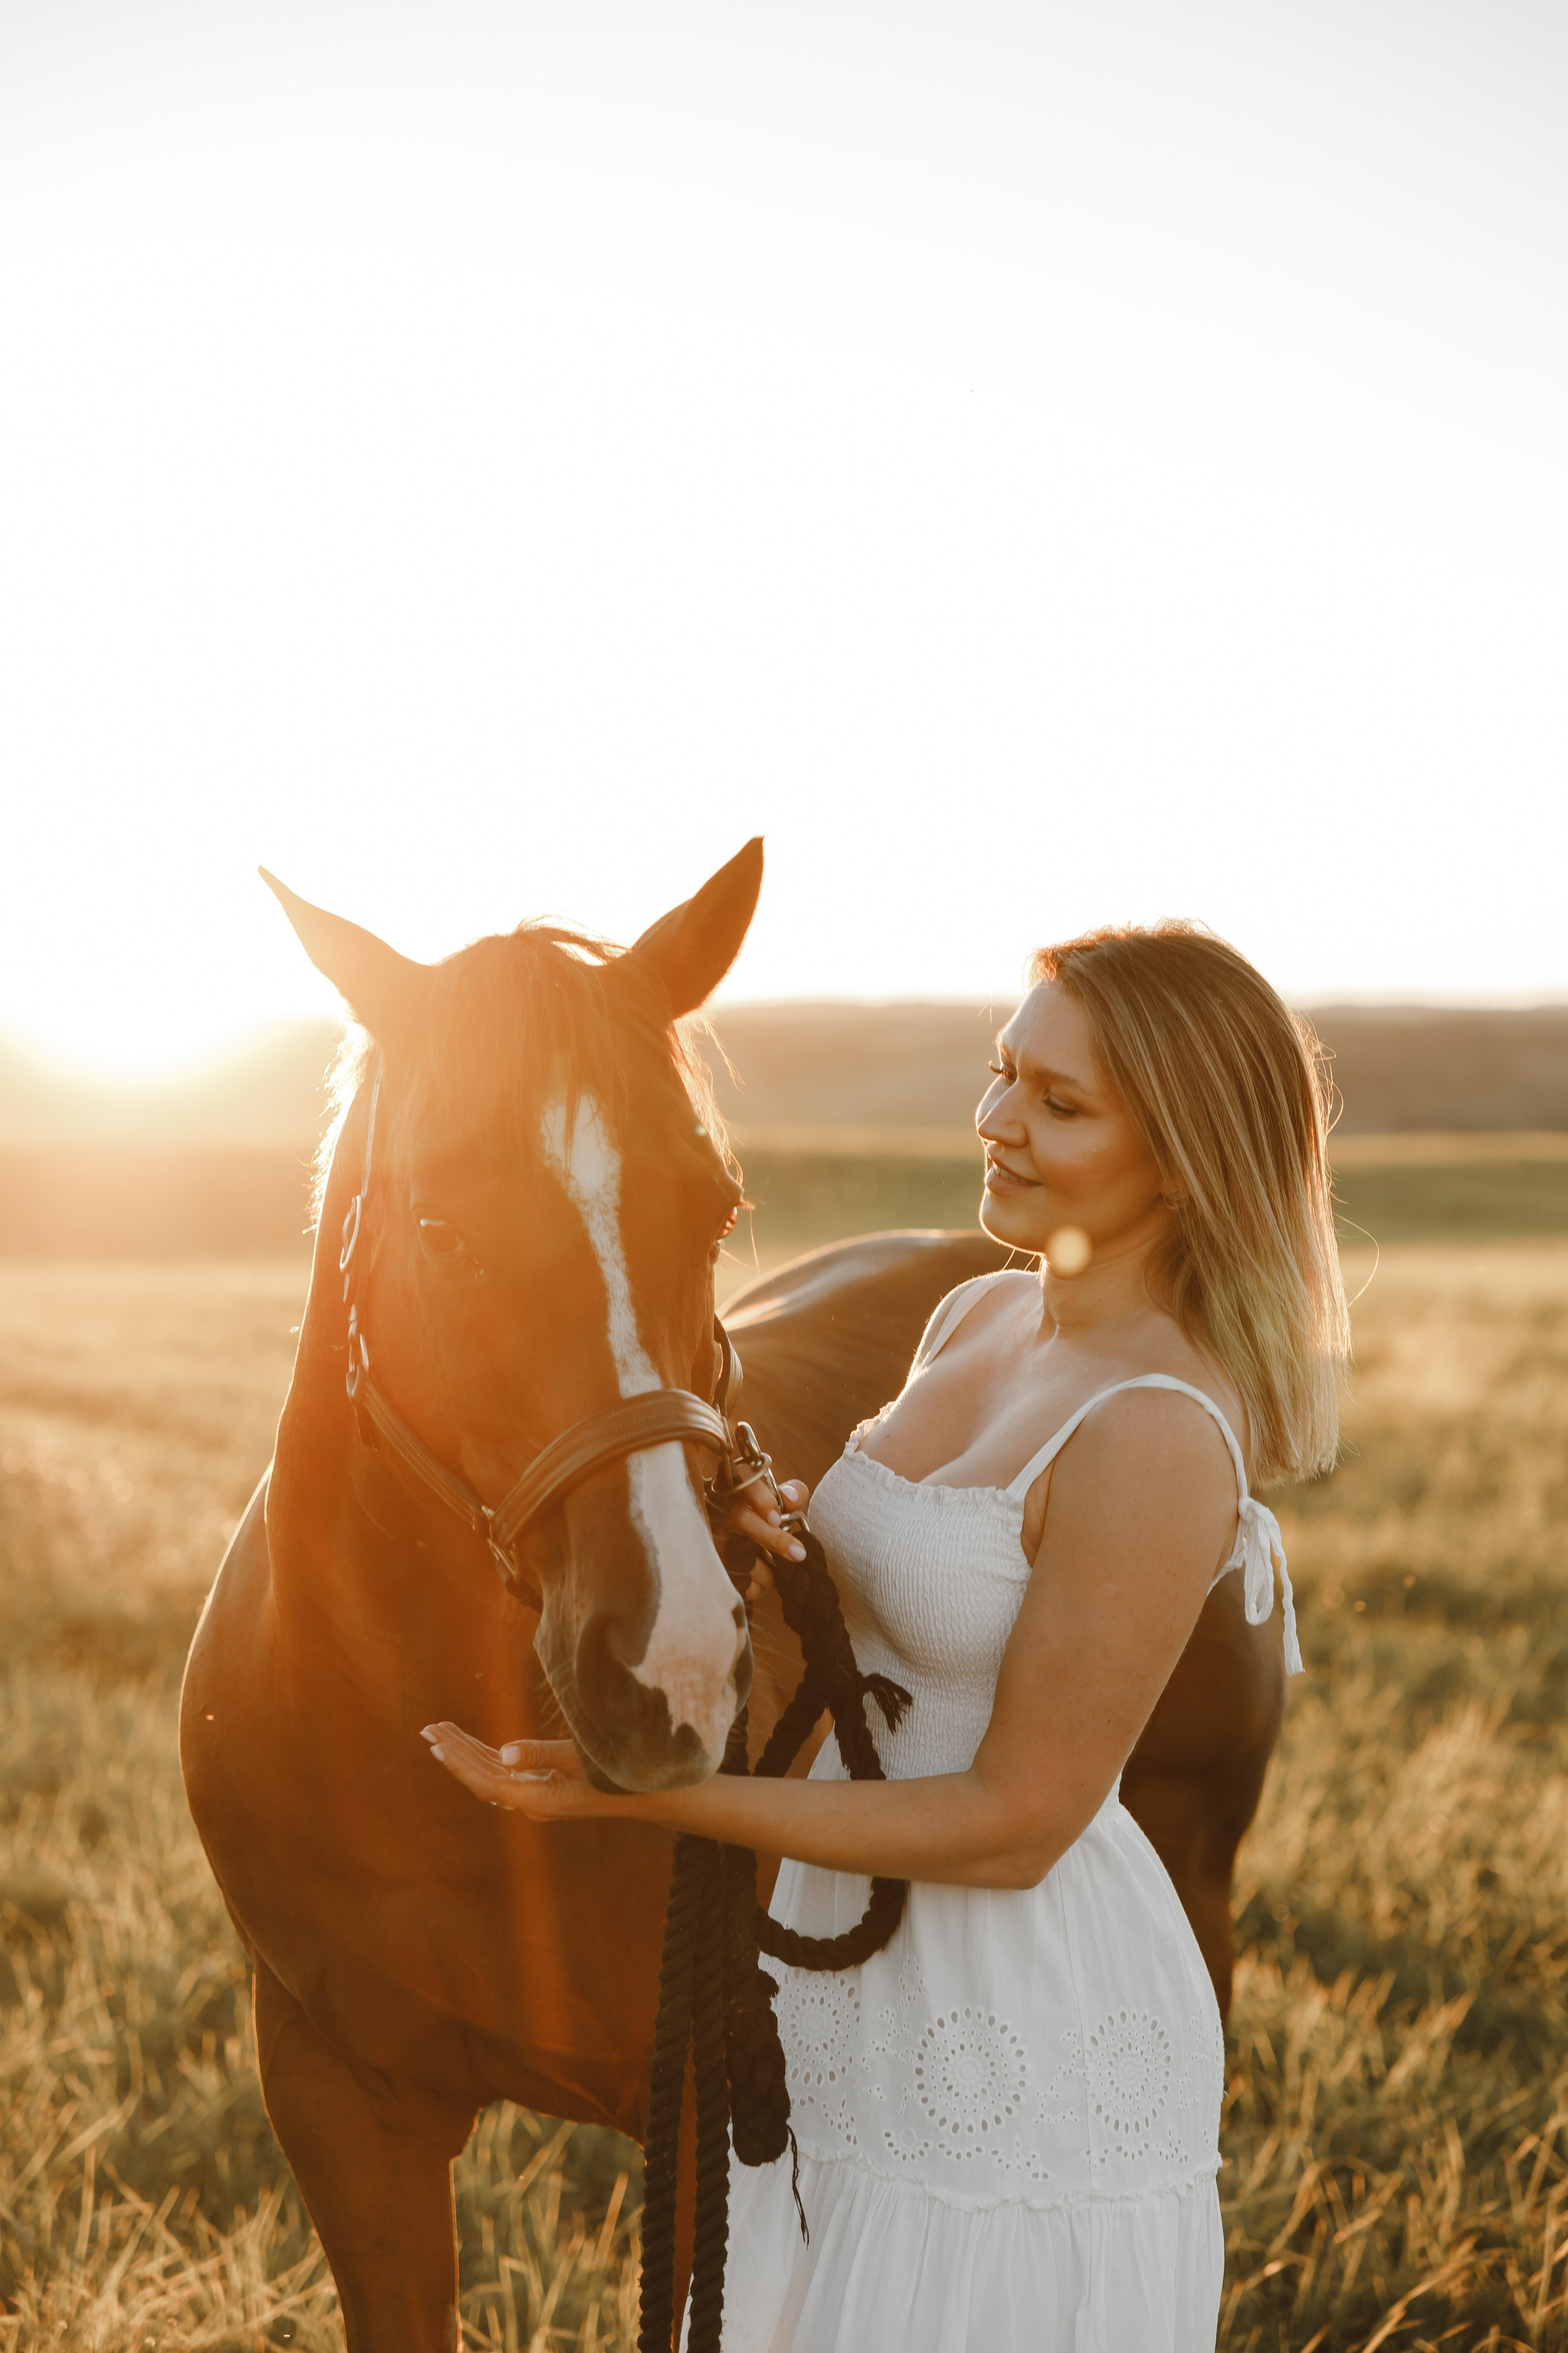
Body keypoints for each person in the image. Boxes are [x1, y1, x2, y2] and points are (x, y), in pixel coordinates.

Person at [425, 921, 1349, 2351]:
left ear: (1178, 1157)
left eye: (1059, 1103)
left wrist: (647, 1798)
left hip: (1011, 2003)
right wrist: (772, 1528)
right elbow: (920, 1577)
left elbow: (1015, 1821)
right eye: (1002, 1072)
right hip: (844, 1973)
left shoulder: (1155, 1429)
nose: (996, 1121)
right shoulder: (976, 1315)